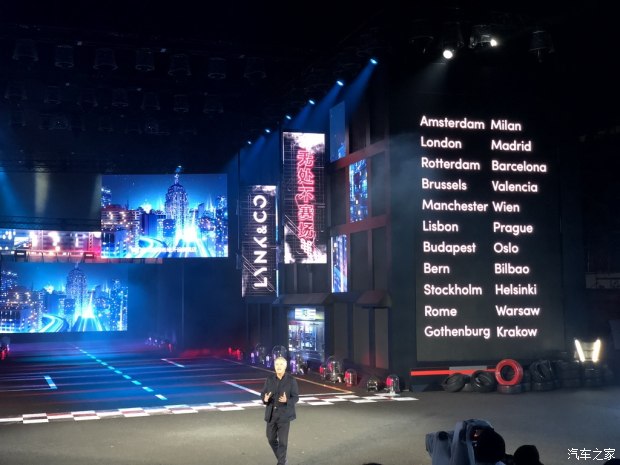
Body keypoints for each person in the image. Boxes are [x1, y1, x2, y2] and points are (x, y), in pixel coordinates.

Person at [261, 356, 299, 465]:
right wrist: (265, 399)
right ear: (274, 366)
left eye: (281, 364)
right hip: (271, 414)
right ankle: (282, 459)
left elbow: (296, 397)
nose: (279, 366)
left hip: (284, 415)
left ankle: (281, 462)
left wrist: (287, 400)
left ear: (285, 366)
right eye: (277, 364)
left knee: (283, 442)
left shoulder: (291, 380)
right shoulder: (269, 379)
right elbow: (263, 393)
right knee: (271, 439)